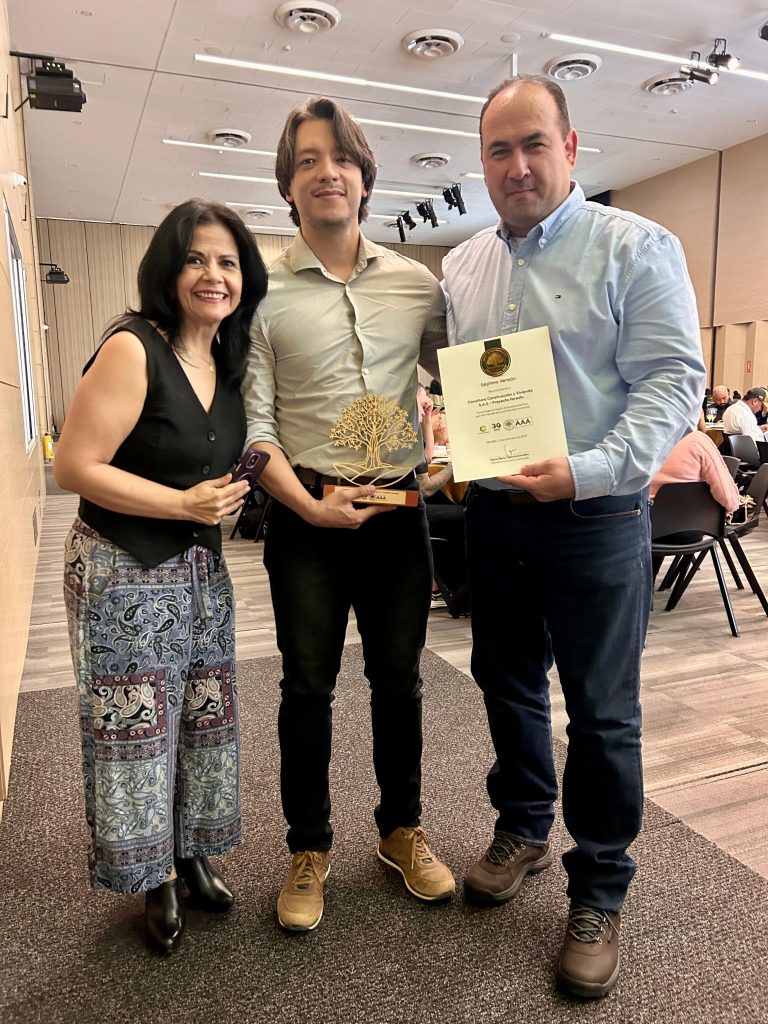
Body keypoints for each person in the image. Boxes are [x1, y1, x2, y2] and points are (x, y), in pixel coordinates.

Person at [441, 76, 705, 998]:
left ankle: (599, 888)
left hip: (597, 517)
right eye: (498, 150)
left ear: (570, 147)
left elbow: (672, 382)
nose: (517, 166)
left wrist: (587, 470)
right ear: (482, 163)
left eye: (533, 145)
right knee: (505, 681)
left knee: (602, 712)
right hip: (495, 515)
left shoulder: (636, 246)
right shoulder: (463, 266)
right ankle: (524, 824)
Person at [242, 96, 454, 933]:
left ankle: (401, 831)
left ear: (366, 178)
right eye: (307, 160)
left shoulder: (418, 287)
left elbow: (474, 384)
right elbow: (256, 428)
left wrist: (456, 462)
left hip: (398, 510)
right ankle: (309, 847)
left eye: (341, 158)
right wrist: (305, 504)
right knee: (307, 686)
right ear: (288, 185)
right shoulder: (261, 296)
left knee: (399, 681)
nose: (326, 172)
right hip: (305, 516)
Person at [55, 199, 268, 953]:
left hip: (202, 572)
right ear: (168, 270)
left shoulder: (234, 359)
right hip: (124, 570)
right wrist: (180, 503)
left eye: (228, 262)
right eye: (196, 259)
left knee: (203, 720)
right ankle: (155, 876)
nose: (214, 275)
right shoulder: (133, 347)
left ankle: (192, 851)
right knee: (136, 730)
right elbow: (73, 466)